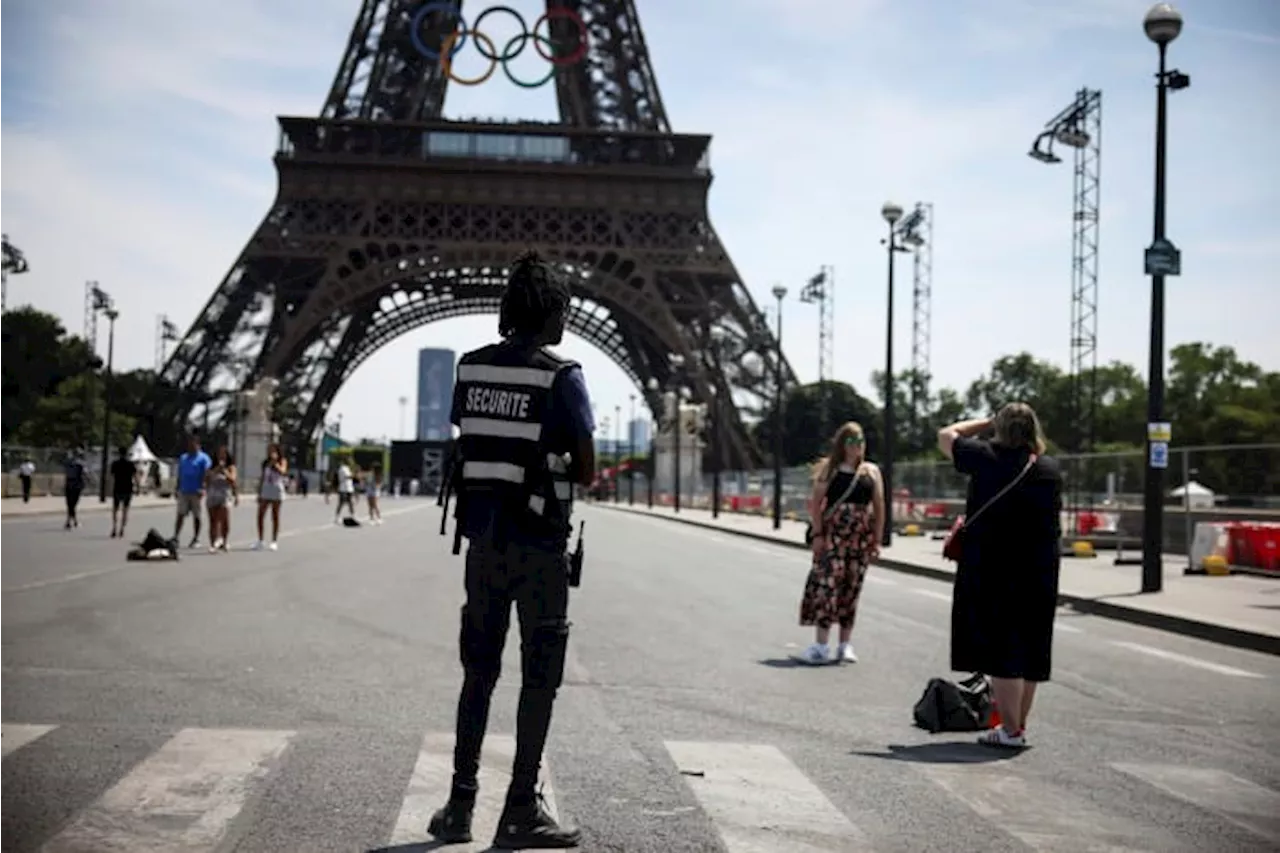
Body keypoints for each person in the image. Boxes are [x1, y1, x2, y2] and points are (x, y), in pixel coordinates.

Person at [428, 250, 594, 849]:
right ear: (549, 310)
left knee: (479, 673)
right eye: (564, 310)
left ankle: (459, 805)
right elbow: (588, 469)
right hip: (540, 546)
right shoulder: (562, 375)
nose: (567, 321)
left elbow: (468, 442)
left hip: (483, 545)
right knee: (539, 676)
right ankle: (521, 806)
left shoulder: (470, 369)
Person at [938, 403, 1062, 749]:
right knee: (1031, 650)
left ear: (1001, 428)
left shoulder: (986, 457)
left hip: (995, 567)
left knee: (1002, 650)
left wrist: (986, 422)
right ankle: (1016, 725)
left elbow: (947, 435)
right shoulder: (1049, 469)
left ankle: (1010, 730)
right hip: (1040, 569)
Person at [797, 422, 885, 665]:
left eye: (860, 442)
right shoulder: (830, 470)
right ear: (842, 444)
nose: (856, 447)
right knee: (827, 588)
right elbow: (816, 504)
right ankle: (821, 645)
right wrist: (817, 535)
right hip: (833, 538)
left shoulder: (871, 472)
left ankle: (845, 644)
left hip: (860, 538)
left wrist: (877, 539)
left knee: (851, 588)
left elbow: (879, 507)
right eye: (851, 442)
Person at [174, 433, 212, 548]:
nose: (191, 447)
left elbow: (207, 474)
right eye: (189, 444)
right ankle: (176, 536)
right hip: (184, 490)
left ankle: (196, 538)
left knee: (197, 516)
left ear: (198, 445)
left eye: (193, 444)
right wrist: (177, 487)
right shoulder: (183, 458)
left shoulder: (203, 458)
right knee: (180, 514)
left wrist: (204, 488)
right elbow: (180, 474)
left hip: (196, 491)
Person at [255, 443, 288, 551]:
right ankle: (260, 540)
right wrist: (259, 492)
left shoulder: (282, 461)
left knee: (275, 516)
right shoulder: (265, 463)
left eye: (272, 450)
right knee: (260, 515)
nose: (270, 452)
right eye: (269, 450)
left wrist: (275, 463)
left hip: (276, 490)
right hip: (266, 489)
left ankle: (274, 541)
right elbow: (262, 477)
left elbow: (283, 472)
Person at [205, 446, 239, 552]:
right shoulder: (211, 467)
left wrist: (225, 471)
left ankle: (224, 541)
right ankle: (212, 544)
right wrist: (216, 470)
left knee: (224, 519)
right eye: (219, 453)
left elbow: (233, 480)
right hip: (212, 495)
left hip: (225, 496)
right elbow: (206, 478)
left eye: (223, 454)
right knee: (213, 521)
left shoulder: (231, 467)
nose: (221, 456)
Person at [109, 447, 139, 539]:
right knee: (125, 510)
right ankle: (122, 529)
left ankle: (114, 527)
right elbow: (135, 476)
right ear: (126, 454)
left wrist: (109, 488)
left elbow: (111, 477)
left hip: (117, 488)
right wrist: (137, 487)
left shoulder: (115, 464)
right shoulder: (130, 464)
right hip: (127, 488)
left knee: (115, 509)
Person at [63, 450, 86, 530]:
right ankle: (70, 521)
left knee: (70, 504)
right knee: (73, 504)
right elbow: (83, 474)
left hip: (68, 484)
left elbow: (66, 472)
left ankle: (72, 521)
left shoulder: (67, 463)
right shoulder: (80, 464)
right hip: (76, 485)